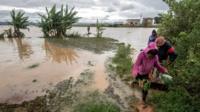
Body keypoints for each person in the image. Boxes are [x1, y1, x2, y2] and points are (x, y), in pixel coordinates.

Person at [131, 42, 167, 106]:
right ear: (147, 52)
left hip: (146, 74)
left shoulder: (155, 57)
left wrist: (163, 70)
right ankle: (134, 83)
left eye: (152, 56)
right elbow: (136, 65)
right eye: (149, 55)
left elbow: (158, 66)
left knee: (145, 87)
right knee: (136, 81)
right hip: (139, 72)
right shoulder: (142, 54)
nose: (150, 57)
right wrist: (134, 72)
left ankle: (143, 100)